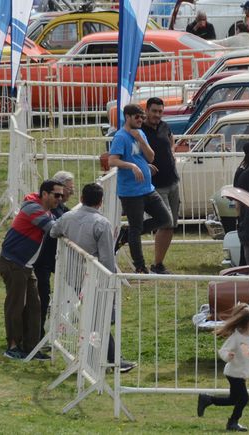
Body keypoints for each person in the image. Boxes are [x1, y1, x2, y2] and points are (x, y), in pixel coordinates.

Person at [50, 183, 137, 373]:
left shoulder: (67, 217)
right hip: (93, 276)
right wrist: (110, 281)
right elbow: (106, 257)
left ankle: (105, 357)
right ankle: (111, 360)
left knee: (94, 317)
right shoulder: (101, 223)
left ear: (81, 199)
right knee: (99, 318)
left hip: (72, 273)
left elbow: (53, 231)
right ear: (100, 202)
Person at [0, 179, 64, 360]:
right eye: (56, 195)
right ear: (45, 194)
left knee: (35, 307)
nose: (60, 199)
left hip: (25, 266)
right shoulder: (33, 209)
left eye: (62, 195)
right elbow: (53, 229)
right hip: (13, 263)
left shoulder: (45, 210)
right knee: (16, 306)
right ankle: (12, 347)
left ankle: (31, 348)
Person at [109, 104, 172, 274]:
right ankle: (140, 266)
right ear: (127, 117)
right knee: (136, 229)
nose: (140, 120)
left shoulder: (140, 133)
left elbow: (151, 156)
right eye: (137, 117)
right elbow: (112, 161)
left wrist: (141, 141)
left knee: (165, 219)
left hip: (147, 188)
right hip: (131, 192)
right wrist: (131, 166)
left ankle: (126, 234)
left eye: (142, 117)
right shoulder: (120, 137)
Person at [197, 302, 249, 432]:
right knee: (243, 399)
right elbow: (223, 351)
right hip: (233, 373)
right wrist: (228, 356)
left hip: (241, 374)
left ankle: (207, 399)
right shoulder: (236, 337)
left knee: (233, 399)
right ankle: (233, 422)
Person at [33, 171, 73, 340]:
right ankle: (37, 336)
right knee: (41, 298)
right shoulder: (45, 209)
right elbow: (56, 228)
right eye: (68, 189)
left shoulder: (62, 209)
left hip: (55, 260)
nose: (70, 193)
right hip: (41, 261)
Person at [141, 97, 180, 275]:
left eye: (160, 111)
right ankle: (134, 231)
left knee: (171, 225)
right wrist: (144, 165)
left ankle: (159, 263)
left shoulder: (165, 126)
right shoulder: (139, 130)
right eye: (154, 111)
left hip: (172, 181)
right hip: (155, 185)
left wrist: (171, 152)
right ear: (147, 110)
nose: (157, 115)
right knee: (166, 222)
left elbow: (171, 139)